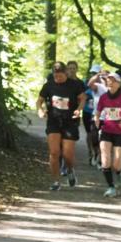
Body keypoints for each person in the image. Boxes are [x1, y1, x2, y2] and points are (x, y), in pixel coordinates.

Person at [37, 61, 87, 190]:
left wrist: (79, 109)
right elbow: (39, 100)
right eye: (55, 76)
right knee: (54, 153)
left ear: (65, 73)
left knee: (67, 154)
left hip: (70, 121)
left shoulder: (75, 85)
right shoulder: (49, 85)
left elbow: (83, 98)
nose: (58, 78)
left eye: (60, 76)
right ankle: (56, 181)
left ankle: (70, 170)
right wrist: (40, 110)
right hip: (54, 121)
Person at [95, 71, 121, 197]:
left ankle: (119, 173)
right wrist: (96, 119)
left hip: (120, 133)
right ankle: (111, 187)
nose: (109, 82)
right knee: (105, 160)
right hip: (106, 130)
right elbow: (98, 111)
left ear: (119, 83)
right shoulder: (103, 97)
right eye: (107, 80)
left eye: (112, 80)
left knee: (116, 164)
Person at [83, 64, 102, 167]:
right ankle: (91, 153)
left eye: (96, 73)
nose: (94, 75)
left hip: (99, 114)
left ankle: (98, 154)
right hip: (87, 112)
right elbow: (81, 96)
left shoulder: (104, 84)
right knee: (89, 134)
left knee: (97, 135)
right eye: (92, 73)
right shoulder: (86, 83)